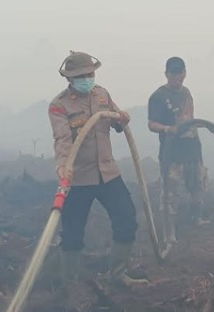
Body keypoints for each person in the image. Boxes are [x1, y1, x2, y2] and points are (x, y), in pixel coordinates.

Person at [47, 51, 145, 287]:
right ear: (70, 78)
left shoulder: (102, 95)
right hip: (78, 177)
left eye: (90, 74)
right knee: (72, 233)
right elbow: (62, 141)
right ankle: (70, 283)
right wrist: (63, 167)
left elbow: (116, 121)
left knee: (127, 219)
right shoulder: (59, 106)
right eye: (82, 75)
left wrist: (122, 119)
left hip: (108, 173)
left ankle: (118, 274)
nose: (87, 78)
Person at [148, 56, 214, 243]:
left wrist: (208, 126)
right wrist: (168, 129)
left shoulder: (186, 93)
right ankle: (169, 234)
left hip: (192, 149)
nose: (178, 77)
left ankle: (196, 218)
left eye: (181, 72)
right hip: (172, 153)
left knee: (197, 185)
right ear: (167, 74)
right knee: (170, 192)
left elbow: (189, 118)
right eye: (174, 73)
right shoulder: (158, 97)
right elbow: (151, 124)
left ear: (185, 73)